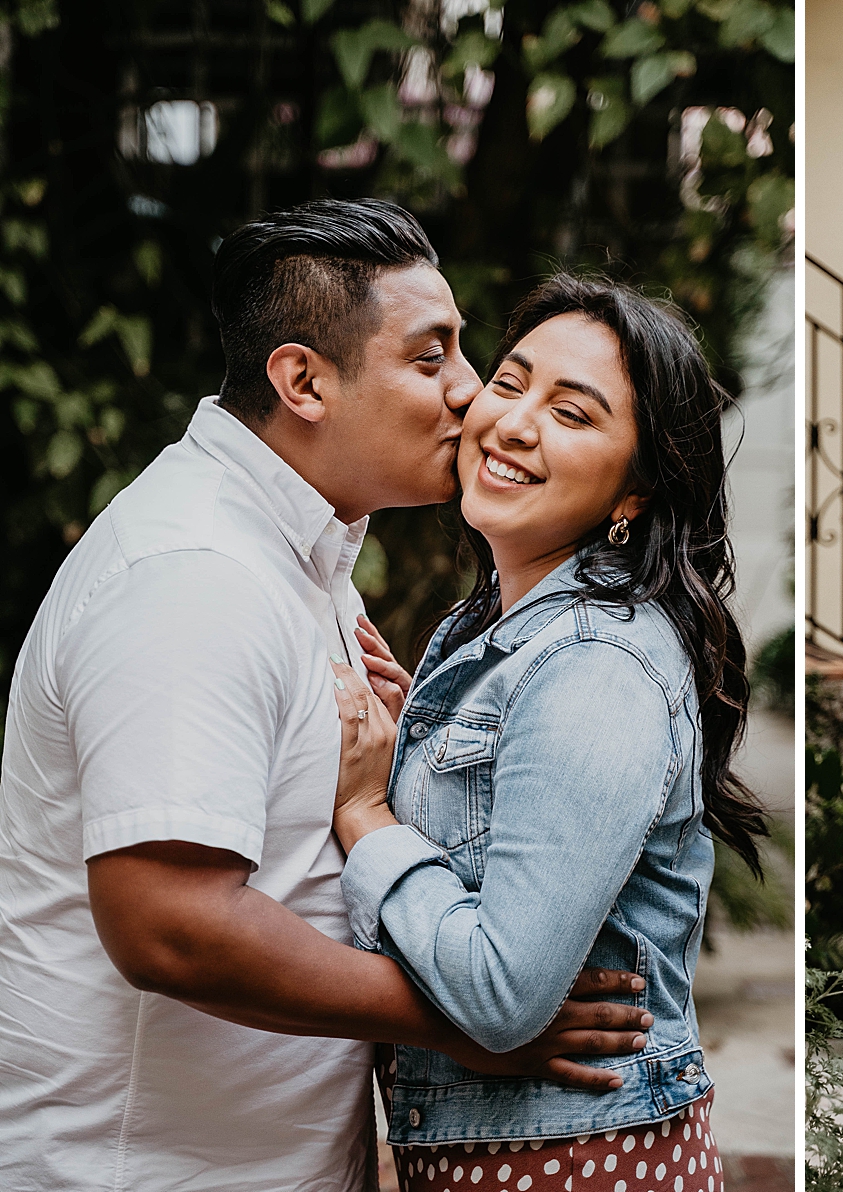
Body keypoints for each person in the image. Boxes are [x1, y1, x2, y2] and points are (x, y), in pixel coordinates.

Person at [0, 201, 651, 1191]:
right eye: (430, 357)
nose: (470, 390)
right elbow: (168, 922)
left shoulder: (300, 556)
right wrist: (466, 1020)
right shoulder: (194, 575)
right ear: (303, 381)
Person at [324, 275, 761, 1191]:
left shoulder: (597, 662)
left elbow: (500, 994)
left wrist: (369, 815)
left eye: (572, 413)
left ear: (635, 492)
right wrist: (420, 750)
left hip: (577, 1161)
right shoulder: (490, 629)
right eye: (511, 383)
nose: (515, 424)